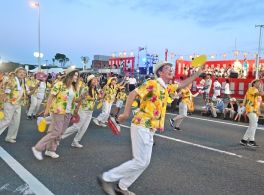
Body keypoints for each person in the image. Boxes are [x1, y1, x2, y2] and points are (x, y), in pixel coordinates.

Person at [97, 61, 201, 195]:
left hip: (150, 129)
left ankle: (122, 187)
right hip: (142, 124)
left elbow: (182, 84)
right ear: (160, 72)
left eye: (171, 68)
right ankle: (106, 178)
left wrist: (197, 74)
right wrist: (126, 113)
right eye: (168, 68)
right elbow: (132, 94)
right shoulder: (152, 83)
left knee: (144, 162)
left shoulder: (165, 87)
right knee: (140, 161)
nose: (171, 70)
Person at [32, 68, 80, 160]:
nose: (76, 77)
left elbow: (75, 100)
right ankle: (38, 148)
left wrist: (81, 98)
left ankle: (51, 150)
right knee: (56, 132)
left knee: (60, 133)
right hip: (58, 111)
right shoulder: (59, 84)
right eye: (74, 75)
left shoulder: (74, 87)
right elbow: (51, 97)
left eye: (77, 76)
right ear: (69, 75)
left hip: (68, 112)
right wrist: (46, 109)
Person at [61, 75, 101, 148]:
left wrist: (100, 96)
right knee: (77, 126)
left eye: (96, 80)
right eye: (94, 80)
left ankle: (75, 141)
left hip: (90, 111)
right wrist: (77, 109)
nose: (96, 81)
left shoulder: (95, 89)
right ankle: (60, 136)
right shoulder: (86, 88)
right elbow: (81, 99)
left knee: (84, 127)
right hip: (83, 110)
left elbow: (97, 98)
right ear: (90, 81)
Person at [0, 67, 29, 143]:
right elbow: (6, 92)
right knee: (7, 120)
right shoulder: (12, 81)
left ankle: (10, 137)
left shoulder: (23, 81)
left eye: (24, 73)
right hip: (9, 103)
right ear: (16, 73)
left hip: (18, 104)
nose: (22, 74)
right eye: (20, 72)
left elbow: (26, 93)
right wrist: (1, 104)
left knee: (16, 122)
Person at [240, 79, 264, 147]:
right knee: (254, 125)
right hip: (250, 109)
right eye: (258, 83)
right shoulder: (252, 89)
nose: (259, 84)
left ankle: (244, 140)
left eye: (260, 83)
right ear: (253, 84)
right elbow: (261, 93)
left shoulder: (258, 93)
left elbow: (260, 103)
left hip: (256, 111)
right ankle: (251, 141)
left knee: (252, 126)